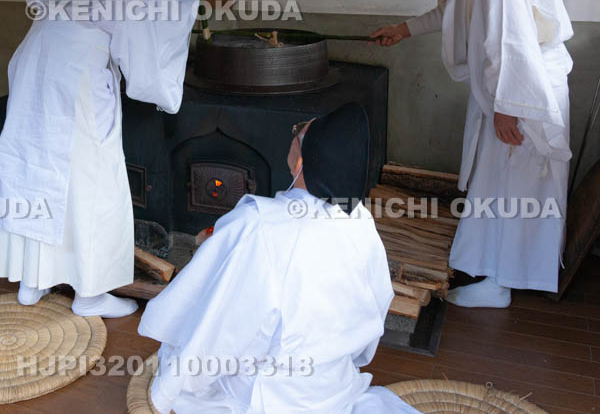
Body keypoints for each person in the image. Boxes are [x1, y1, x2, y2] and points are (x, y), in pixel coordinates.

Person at [0, 0, 205, 319]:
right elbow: (153, 20)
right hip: (79, 72)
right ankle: (89, 294)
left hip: (36, 54)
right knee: (90, 178)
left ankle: (32, 280)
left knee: (36, 163)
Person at [372, 0, 573, 307]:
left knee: (513, 189)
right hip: (513, 94)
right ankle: (491, 273)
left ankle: (500, 283)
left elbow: (512, 44)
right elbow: (455, 10)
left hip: (524, 98)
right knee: (498, 185)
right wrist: (405, 29)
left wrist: (508, 109)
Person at [138, 105, 419, 413]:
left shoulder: (260, 226)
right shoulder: (361, 220)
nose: (294, 134)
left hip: (273, 397)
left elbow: (221, 325)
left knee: (184, 362)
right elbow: (377, 305)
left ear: (300, 160)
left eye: (298, 133)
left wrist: (166, 390)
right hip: (334, 386)